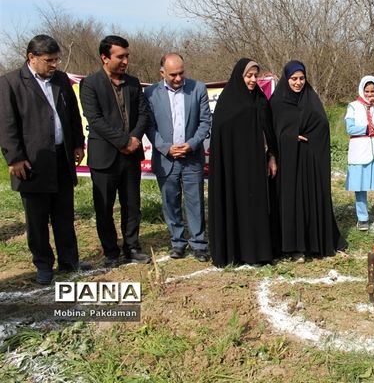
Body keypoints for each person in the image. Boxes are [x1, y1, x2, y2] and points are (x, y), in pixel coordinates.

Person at [0, 34, 89, 284]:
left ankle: (69, 260)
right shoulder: (10, 83)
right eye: (49, 60)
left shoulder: (61, 80)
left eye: (57, 60)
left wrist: (78, 143)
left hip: (61, 157)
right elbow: (6, 125)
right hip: (32, 162)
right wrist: (15, 158)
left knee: (64, 214)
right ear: (32, 57)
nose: (55, 65)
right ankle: (43, 264)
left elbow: (72, 113)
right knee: (37, 219)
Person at [80, 35, 151, 267]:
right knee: (105, 207)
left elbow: (143, 114)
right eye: (120, 57)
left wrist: (135, 139)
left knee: (132, 205)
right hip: (105, 157)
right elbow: (95, 119)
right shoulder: (91, 84)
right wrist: (123, 141)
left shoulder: (133, 82)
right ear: (104, 57)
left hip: (131, 157)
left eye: (127, 56)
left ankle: (132, 247)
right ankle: (111, 252)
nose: (125, 61)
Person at [270, 60, 347, 262]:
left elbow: (322, 125)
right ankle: (293, 247)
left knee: (309, 199)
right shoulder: (277, 102)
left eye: (301, 78)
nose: (298, 83)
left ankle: (313, 243)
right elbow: (271, 132)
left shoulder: (310, 98)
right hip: (288, 161)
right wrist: (290, 136)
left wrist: (308, 135)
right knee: (291, 201)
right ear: (286, 79)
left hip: (309, 159)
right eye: (294, 79)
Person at [208, 58, 279, 267]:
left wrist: (272, 156)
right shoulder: (227, 103)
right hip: (233, 169)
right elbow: (222, 137)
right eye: (249, 75)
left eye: (256, 76)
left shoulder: (260, 100)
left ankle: (256, 253)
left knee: (255, 207)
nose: (253, 79)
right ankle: (235, 252)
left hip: (256, 166)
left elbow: (269, 132)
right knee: (235, 206)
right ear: (240, 76)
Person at [145, 53, 212, 261]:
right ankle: (177, 242)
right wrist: (166, 148)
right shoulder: (150, 93)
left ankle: (199, 243)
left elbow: (205, 122)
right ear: (162, 72)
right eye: (173, 74)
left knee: (195, 201)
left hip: (192, 157)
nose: (178, 78)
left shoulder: (198, 88)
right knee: (170, 201)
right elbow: (149, 126)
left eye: (181, 73)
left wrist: (191, 145)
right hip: (166, 159)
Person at [344, 75, 374, 231]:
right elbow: (350, 128)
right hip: (359, 151)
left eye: (372, 91)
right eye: (367, 91)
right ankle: (363, 219)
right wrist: (366, 129)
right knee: (360, 187)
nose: (370, 94)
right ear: (362, 90)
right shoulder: (353, 106)